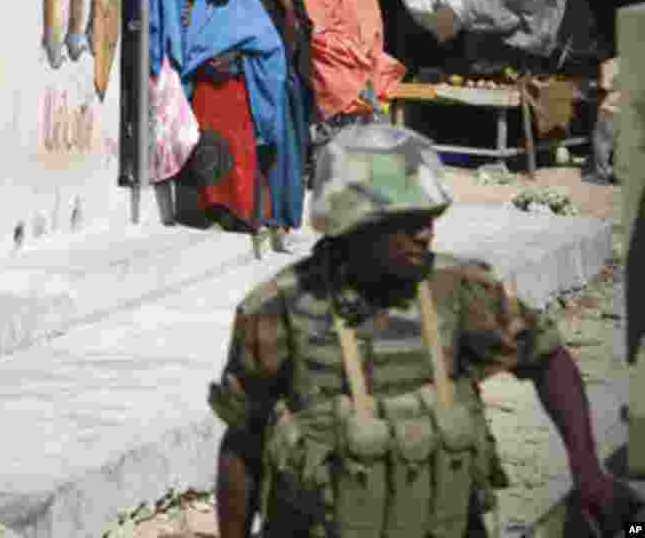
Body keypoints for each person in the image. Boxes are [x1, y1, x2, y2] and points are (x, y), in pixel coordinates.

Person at [208, 123, 644, 537]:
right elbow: (241, 444)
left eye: (431, 217)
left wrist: (588, 471)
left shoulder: (459, 292)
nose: (426, 233)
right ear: (353, 224)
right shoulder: (278, 311)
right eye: (409, 220)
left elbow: (548, 360)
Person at [183, 0, 287, 259]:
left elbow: (272, 50)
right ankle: (214, 210)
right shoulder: (199, 15)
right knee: (208, 151)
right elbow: (188, 52)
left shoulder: (251, 14)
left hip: (236, 95)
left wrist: (237, 56)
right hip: (206, 94)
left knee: (240, 152)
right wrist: (205, 62)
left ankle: (241, 212)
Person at [304, 0, 405, 165]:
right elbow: (314, 34)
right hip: (333, 76)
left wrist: (367, 50)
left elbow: (375, 30)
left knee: (369, 125)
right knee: (333, 129)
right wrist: (347, 50)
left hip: (364, 71)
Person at [246, 0, 311, 253]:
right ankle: (267, 221)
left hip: (289, 82)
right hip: (262, 82)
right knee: (272, 153)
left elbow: (302, 32)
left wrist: (289, 6)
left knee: (291, 153)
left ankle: (285, 221)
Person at [147, 0, 200, 224]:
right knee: (175, 129)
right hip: (149, 47)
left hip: (166, 49)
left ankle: (166, 208)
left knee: (174, 129)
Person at [586, 56, 620, 185]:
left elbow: (605, 87)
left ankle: (602, 175)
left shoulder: (610, 64)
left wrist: (594, 85)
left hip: (611, 108)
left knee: (602, 141)